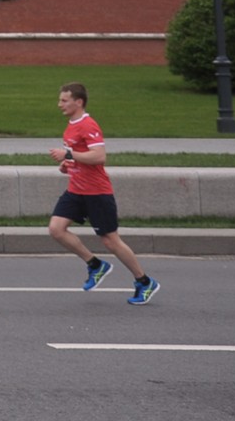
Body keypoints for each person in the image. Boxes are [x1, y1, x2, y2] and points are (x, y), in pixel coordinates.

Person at [48, 81, 161, 304]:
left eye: (64, 100)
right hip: (76, 190)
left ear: (78, 102)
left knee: (110, 241)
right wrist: (67, 165)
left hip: (96, 192)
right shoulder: (71, 125)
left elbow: (99, 156)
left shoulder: (88, 125)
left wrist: (69, 155)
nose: (59, 104)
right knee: (56, 229)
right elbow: (79, 157)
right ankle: (96, 265)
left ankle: (145, 281)